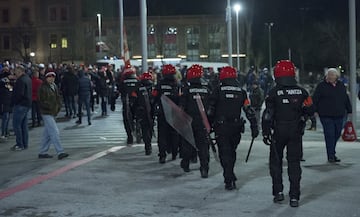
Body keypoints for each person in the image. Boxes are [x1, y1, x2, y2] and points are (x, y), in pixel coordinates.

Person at [262, 60, 314, 207]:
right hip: (295, 131)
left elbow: (267, 115)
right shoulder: (302, 92)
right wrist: (302, 115)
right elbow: (310, 109)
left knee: (276, 162)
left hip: (278, 131)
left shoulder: (273, 93)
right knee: (294, 163)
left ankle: (278, 192)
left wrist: (266, 132)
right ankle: (294, 197)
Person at [207, 66, 259, 190]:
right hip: (236, 127)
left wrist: (208, 126)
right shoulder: (241, 92)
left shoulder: (217, 90)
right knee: (232, 152)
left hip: (221, 127)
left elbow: (210, 110)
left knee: (224, 153)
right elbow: (248, 110)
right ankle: (230, 174)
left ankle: (228, 177)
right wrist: (254, 126)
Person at [312, 68, 352, 163]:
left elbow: (345, 98)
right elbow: (315, 99)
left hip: (339, 114)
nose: (330, 77)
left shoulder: (341, 85)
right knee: (329, 134)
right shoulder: (321, 86)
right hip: (326, 115)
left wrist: (349, 109)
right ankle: (331, 155)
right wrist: (314, 110)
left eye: (332, 75)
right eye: (329, 75)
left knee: (337, 133)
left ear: (336, 77)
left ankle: (332, 152)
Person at [179, 64, 212, 178]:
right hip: (203, 121)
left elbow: (181, 107)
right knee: (203, 146)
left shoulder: (187, 90)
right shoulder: (207, 90)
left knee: (187, 143)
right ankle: (204, 168)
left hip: (189, 121)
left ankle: (186, 164)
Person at [152, 64, 181, 164]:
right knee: (174, 133)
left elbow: (154, 97)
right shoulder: (177, 84)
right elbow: (180, 98)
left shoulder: (160, 84)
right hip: (173, 112)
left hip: (162, 112)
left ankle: (162, 155)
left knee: (162, 135)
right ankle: (174, 152)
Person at [38, 71, 69, 160]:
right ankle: (60, 151)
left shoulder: (54, 86)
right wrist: (51, 106)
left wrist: (58, 106)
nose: (51, 78)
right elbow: (41, 100)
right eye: (49, 76)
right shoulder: (42, 87)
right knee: (54, 131)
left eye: (53, 77)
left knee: (47, 133)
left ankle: (43, 151)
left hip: (52, 112)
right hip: (46, 112)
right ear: (46, 77)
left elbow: (58, 97)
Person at [10, 65, 32, 151]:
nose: (15, 73)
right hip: (27, 104)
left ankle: (19, 144)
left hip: (20, 105)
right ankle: (25, 143)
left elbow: (19, 94)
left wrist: (13, 102)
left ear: (20, 72)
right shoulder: (27, 79)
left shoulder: (20, 81)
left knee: (16, 125)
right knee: (24, 125)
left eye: (16, 72)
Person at [118, 66, 140, 145]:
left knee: (126, 119)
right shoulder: (137, 80)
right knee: (138, 117)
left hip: (126, 103)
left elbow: (119, 91)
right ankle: (138, 130)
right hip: (137, 103)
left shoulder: (123, 82)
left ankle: (130, 136)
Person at [134, 72, 154, 155]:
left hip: (141, 111)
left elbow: (134, 100)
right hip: (151, 111)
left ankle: (147, 147)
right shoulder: (153, 88)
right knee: (150, 128)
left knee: (145, 129)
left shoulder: (137, 88)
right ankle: (148, 144)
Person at [0, 68, 13, 140]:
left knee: (7, 118)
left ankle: (6, 132)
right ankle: (3, 133)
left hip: (8, 101)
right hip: (4, 102)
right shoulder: (2, 81)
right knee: (5, 118)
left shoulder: (10, 83)